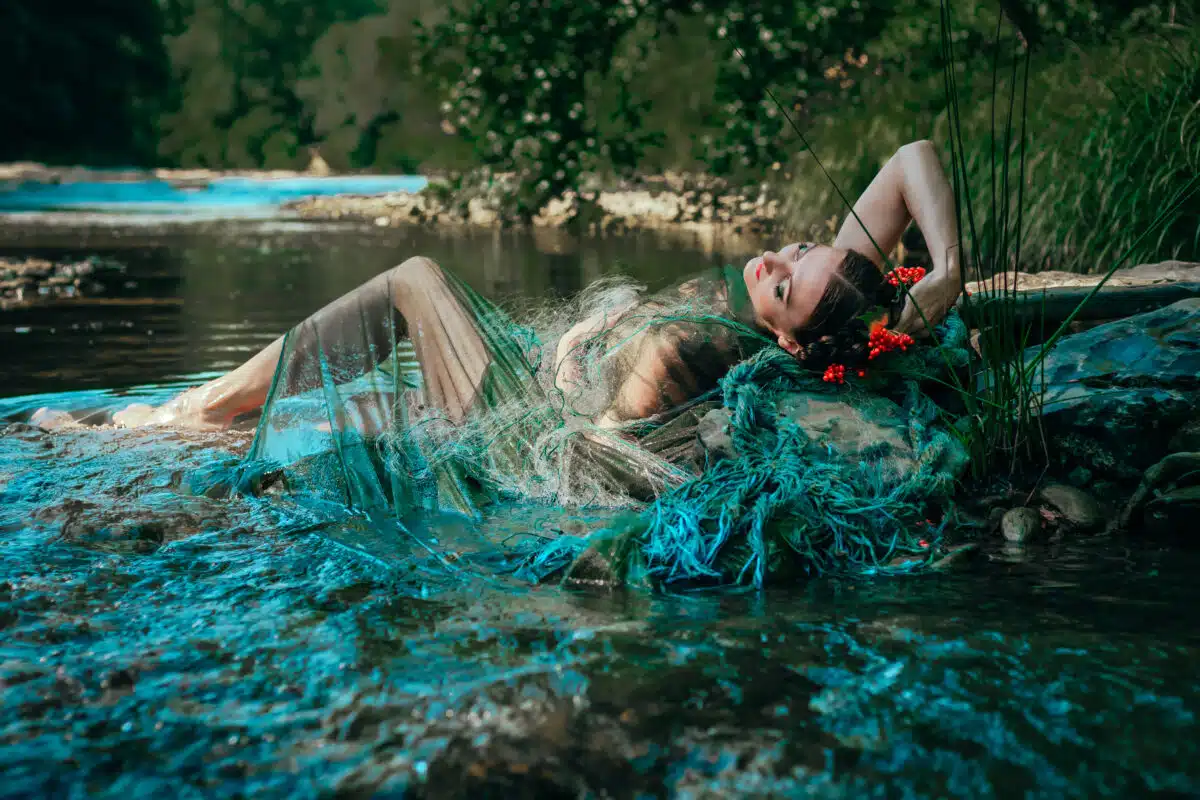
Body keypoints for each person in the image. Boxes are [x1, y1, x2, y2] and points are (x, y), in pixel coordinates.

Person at [37, 140, 961, 514]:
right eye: (801, 248)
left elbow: (601, 465)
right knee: (389, 357)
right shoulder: (835, 302)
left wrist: (569, 389)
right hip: (538, 384)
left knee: (415, 278)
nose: (782, 259)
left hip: (522, 434)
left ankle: (177, 414)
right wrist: (948, 273)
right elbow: (914, 157)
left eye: (792, 282)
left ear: (794, 337)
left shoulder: (714, 343)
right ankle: (183, 421)